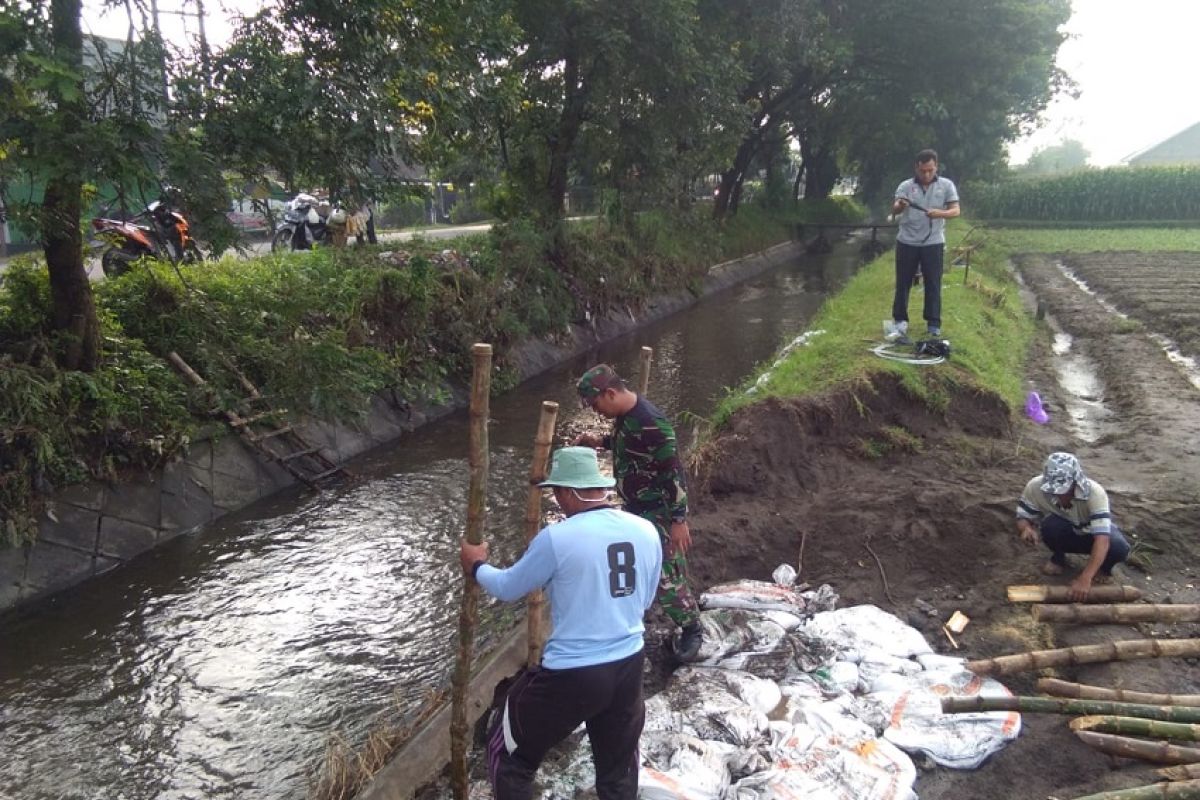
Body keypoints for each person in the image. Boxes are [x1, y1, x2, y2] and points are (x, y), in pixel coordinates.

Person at [460, 446, 661, 800]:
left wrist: (477, 566)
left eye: (557, 492)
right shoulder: (645, 530)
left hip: (574, 673)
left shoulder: (558, 538)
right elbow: (644, 600)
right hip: (630, 664)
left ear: (567, 492)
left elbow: (508, 587)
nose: (557, 499)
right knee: (618, 770)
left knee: (506, 752)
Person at [572, 363, 703, 662]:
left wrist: (678, 520)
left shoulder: (652, 423)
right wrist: (600, 442)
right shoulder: (626, 418)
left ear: (610, 393)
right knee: (641, 567)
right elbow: (628, 445)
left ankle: (692, 628)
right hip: (635, 508)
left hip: (657, 510)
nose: (596, 412)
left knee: (667, 573)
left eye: (595, 405)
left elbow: (674, 473)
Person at [1015, 452, 1131, 601]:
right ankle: (1058, 557)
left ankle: (1103, 569)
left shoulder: (1095, 493)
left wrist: (1085, 578)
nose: (1059, 494)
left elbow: (1102, 540)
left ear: (1075, 481)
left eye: (1063, 489)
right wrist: (1026, 528)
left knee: (1120, 548)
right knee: (1050, 526)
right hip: (1065, 529)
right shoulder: (1035, 487)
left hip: (1093, 533)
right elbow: (1023, 516)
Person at [891, 149, 960, 339]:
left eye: (930, 170)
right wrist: (901, 205)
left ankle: (933, 324)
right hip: (907, 241)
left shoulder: (946, 185)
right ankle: (900, 321)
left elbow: (955, 210)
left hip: (933, 242)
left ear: (936, 166)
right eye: (923, 171)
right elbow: (895, 209)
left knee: (933, 283)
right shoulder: (905, 186)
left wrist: (940, 213)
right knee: (903, 283)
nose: (926, 174)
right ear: (916, 168)